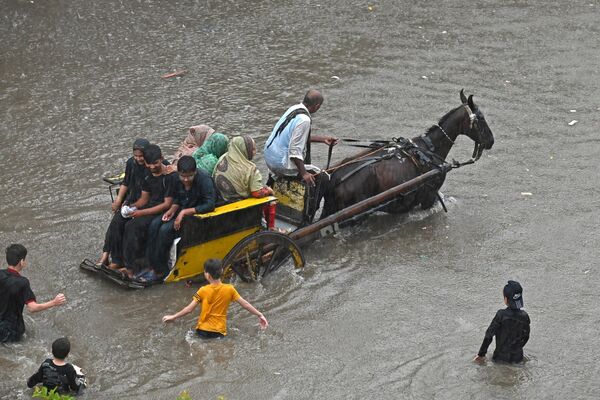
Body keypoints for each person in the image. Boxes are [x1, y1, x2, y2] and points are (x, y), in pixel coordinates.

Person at [141, 156, 216, 282]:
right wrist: (172, 210)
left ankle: (162, 271)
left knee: (165, 230)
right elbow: (177, 198)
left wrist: (184, 212)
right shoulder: (176, 178)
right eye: (183, 176)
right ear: (179, 173)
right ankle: (152, 265)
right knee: (154, 225)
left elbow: (210, 204)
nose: (186, 180)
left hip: (197, 215)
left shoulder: (204, 180)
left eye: (190, 176)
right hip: (182, 209)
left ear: (195, 172)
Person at [162, 259, 268, 338]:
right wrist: (260, 314)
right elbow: (245, 304)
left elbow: (189, 309)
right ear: (222, 271)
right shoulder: (230, 289)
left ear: (207, 275)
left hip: (202, 330)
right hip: (219, 332)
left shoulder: (203, 290)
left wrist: (173, 317)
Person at [116, 144, 177, 279]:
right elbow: (144, 199)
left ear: (161, 159)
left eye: (155, 163)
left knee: (133, 227)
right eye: (150, 164)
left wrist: (141, 213)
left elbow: (166, 204)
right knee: (124, 223)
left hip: (162, 211)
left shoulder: (169, 176)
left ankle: (134, 269)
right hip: (149, 208)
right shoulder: (147, 175)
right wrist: (131, 207)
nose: (153, 167)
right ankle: (123, 262)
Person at [263, 89, 338, 186]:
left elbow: (295, 137)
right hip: (280, 164)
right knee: (323, 177)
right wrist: (304, 173)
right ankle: (312, 201)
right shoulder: (304, 120)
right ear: (317, 106)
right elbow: (294, 151)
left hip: (270, 158)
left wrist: (322, 139)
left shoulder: (294, 108)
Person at [97, 138, 150, 267]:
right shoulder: (131, 163)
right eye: (136, 156)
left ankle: (127, 263)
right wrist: (119, 200)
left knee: (129, 228)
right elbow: (125, 183)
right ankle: (112, 258)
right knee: (116, 223)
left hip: (146, 206)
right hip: (132, 202)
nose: (138, 159)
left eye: (141, 156)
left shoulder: (153, 165)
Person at [0, 244, 66, 343]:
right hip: (11, 330)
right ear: (22, 262)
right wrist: (54, 302)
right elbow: (32, 308)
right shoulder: (22, 282)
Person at [474, 280, 531, 363]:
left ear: (505, 299)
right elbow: (526, 337)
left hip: (500, 358)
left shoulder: (501, 315)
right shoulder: (525, 316)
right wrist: (517, 348)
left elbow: (488, 336)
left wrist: (481, 354)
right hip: (518, 359)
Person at [213, 135, 274, 201]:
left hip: (220, 198)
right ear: (245, 150)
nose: (255, 152)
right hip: (239, 202)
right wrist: (269, 191)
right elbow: (257, 193)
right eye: (253, 149)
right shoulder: (251, 169)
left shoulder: (222, 158)